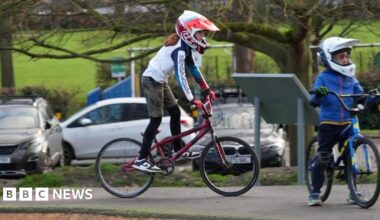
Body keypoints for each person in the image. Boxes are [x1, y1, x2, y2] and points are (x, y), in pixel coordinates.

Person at [133, 10, 220, 172]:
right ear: (189, 33)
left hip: (160, 81)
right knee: (156, 119)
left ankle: (177, 149)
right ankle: (141, 159)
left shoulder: (185, 47)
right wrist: (192, 99)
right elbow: (181, 76)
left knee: (175, 113)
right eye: (200, 34)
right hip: (151, 81)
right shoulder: (179, 50)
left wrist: (206, 89)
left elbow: (193, 69)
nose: (203, 38)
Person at [308, 37, 364, 206]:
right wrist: (319, 93)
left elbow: (360, 95)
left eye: (347, 56)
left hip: (348, 123)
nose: (346, 60)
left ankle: (352, 192)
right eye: (341, 57)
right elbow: (313, 100)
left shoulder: (351, 79)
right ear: (329, 59)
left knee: (349, 157)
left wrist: (371, 97)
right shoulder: (324, 77)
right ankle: (315, 193)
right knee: (323, 157)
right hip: (329, 124)